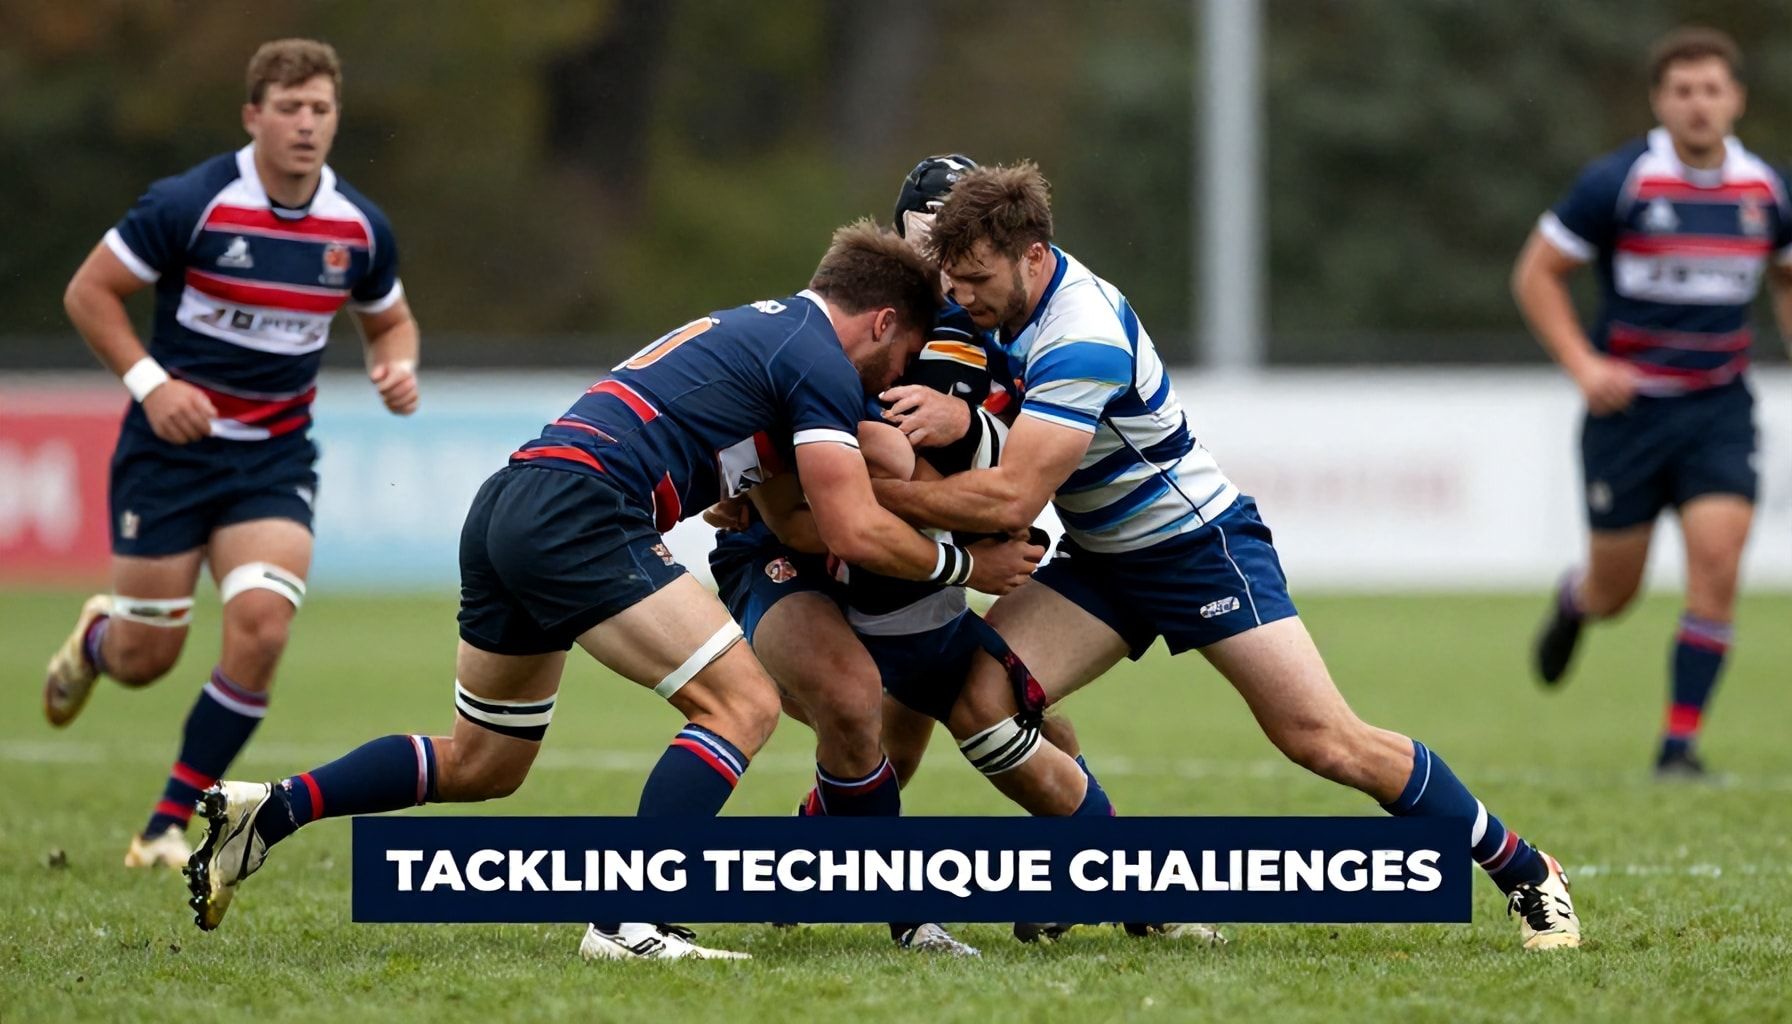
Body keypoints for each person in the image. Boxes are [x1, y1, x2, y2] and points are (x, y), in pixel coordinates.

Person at [183, 221, 1043, 962]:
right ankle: (630, 917)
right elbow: (850, 529)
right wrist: (967, 567)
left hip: (513, 500)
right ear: (882, 321)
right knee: (738, 703)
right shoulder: (818, 354)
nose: (893, 381)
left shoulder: (770, 336)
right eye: (899, 357)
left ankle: (273, 811)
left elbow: (796, 518)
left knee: (483, 762)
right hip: (583, 509)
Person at [874, 162, 1583, 951]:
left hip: (1197, 549)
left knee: (1324, 740)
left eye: (975, 279)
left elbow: (1011, 497)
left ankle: (1526, 870)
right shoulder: (1002, 306)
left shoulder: (1083, 333)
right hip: (1102, 559)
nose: (961, 296)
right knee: (982, 701)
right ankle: (1115, 874)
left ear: (1033, 255)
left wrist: (872, 503)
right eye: (954, 277)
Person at [42, 38, 420, 870]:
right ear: (254, 115)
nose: (306, 124)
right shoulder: (192, 203)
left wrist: (397, 363)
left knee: (261, 628)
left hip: (273, 462)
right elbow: (89, 292)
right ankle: (98, 642)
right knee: (147, 658)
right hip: (169, 455)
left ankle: (165, 826)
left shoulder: (357, 227)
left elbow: (388, 317)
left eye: (321, 109)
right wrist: (150, 384)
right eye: (289, 108)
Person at [1512, 27, 1790, 778]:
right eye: (1683, 91)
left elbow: (1787, 277)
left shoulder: (1767, 191)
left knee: (1717, 564)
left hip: (1718, 411)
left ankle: (1678, 747)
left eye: (1711, 89)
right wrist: (1583, 364)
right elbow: (1537, 273)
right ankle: (1576, 603)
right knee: (1617, 589)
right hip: (1627, 416)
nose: (1698, 105)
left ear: (1735, 99)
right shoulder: (1619, 183)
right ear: (1660, 102)